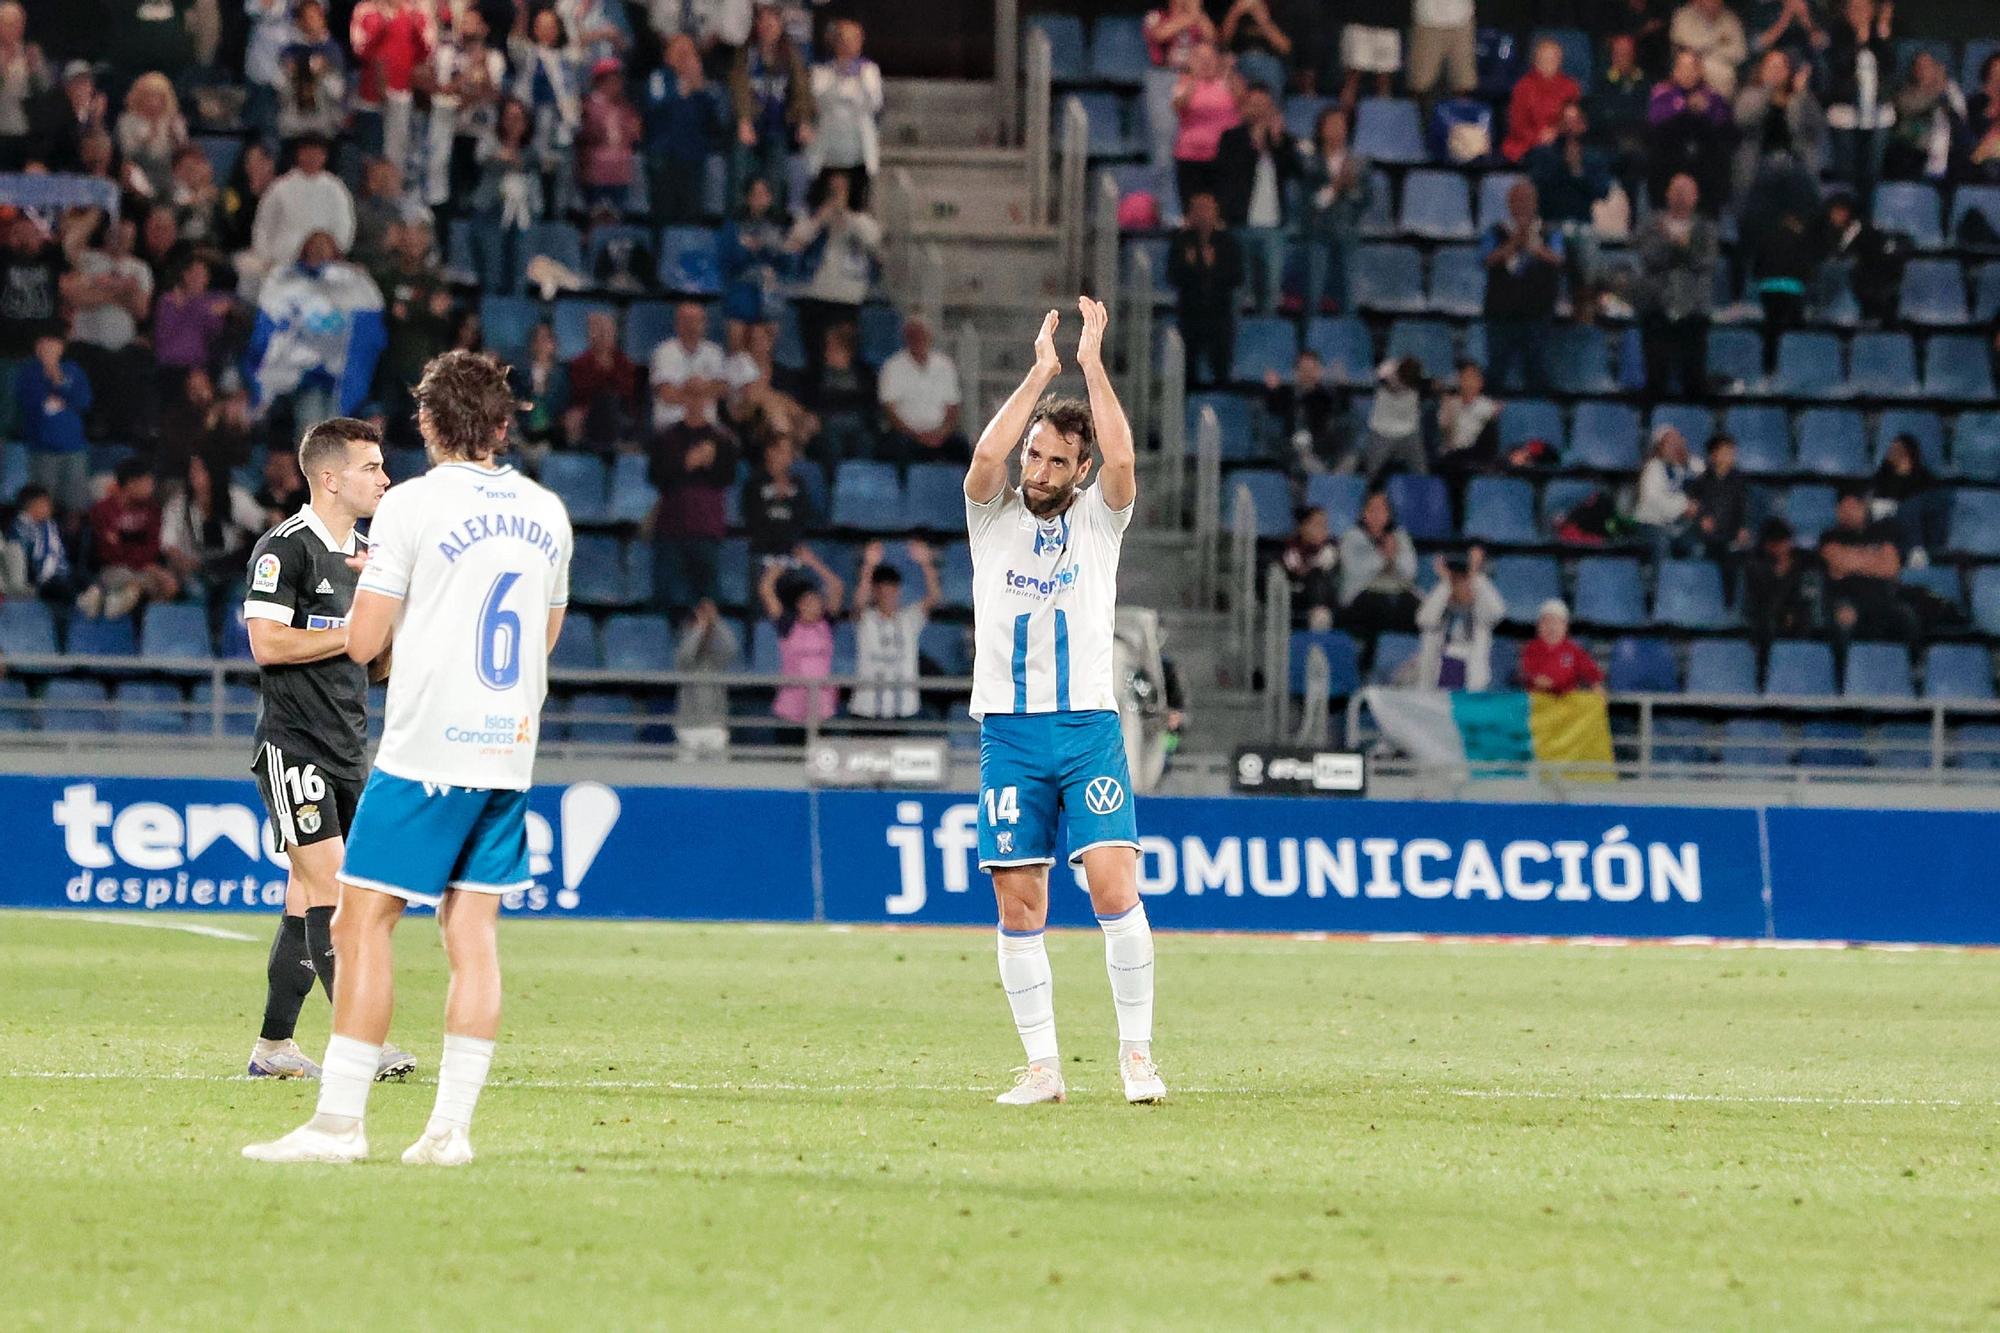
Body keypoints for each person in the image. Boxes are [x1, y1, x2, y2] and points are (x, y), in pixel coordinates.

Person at [243, 350, 575, 1167]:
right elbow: (546, 636)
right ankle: (448, 1132)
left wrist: (394, 605)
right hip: (507, 749)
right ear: (504, 424)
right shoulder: (548, 511)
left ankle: (339, 1124)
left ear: (428, 424)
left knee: (362, 921)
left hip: (427, 746)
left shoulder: (412, 508)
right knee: (472, 932)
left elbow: (361, 643)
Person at [964, 299, 1162, 1107]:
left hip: (1086, 727)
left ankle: (1137, 1057)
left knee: (1114, 885)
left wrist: (1090, 363)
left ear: (1077, 472)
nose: (1036, 472)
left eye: (1053, 462)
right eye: (1034, 457)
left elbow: (1121, 461)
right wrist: (1041, 373)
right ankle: (1044, 1068)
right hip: (1008, 734)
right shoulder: (990, 515)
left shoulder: (1099, 523)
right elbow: (984, 453)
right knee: (1021, 897)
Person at [234, 417, 413, 1083]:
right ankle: (361, 1046)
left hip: (347, 746)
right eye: (372, 467)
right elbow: (267, 645)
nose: (384, 478)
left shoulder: (367, 556)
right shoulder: (287, 548)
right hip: (293, 745)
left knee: (303, 899)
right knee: (340, 890)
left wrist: (391, 620)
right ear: (332, 478)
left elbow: (375, 666)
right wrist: (351, 631)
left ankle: (274, 1047)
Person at [247, 229, 388, 429]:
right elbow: (273, 321)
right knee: (313, 426)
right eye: (314, 246)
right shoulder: (287, 280)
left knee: (334, 429)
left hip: (338, 376)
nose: (319, 251)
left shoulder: (353, 282)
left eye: (325, 245)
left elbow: (368, 326)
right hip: (302, 376)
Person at [1214, 82, 1299, 317]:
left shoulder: (1282, 141)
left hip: (1273, 228)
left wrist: (1276, 142)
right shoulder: (1231, 139)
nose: (1260, 110)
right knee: (1238, 290)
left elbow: (1295, 170)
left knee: (1271, 290)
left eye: (1264, 105)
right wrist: (1254, 146)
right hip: (1241, 225)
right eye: (1254, 104)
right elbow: (1227, 173)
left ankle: (1266, 336)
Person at [786, 170, 880, 381]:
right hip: (816, 294)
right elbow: (795, 241)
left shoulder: (862, 218)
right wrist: (821, 218)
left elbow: (874, 241)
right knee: (815, 360)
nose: (837, 192)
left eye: (842, 188)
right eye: (833, 188)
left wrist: (848, 216)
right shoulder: (812, 214)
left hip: (849, 297)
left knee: (845, 358)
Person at [1632, 173, 1718, 401]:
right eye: (1676, 191)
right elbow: (1649, 258)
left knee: (1694, 378)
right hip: (1656, 308)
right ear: (1667, 194)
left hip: (1694, 310)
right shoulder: (1651, 226)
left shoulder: (1706, 229)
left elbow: (1704, 262)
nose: (1680, 197)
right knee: (1656, 375)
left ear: (1695, 197)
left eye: (1686, 192)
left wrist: (1681, 246)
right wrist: (1671, 243)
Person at [1523, 103, 1614, 317]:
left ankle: (1586, 308)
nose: (1571, 127)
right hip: (1551, 223)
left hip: (1582, 224)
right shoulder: (1544, 154)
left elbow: (1602, 191)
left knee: (1587, 253)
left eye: (1576, 121)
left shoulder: (1593, 157)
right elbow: (1537, 183)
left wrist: (1577, 172)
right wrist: (1562, 167)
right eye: (1566, 121)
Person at [1481, 179, 1562, 393]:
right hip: (1500, 314)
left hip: (1537, 314)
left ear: (1535, 203)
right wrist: (1514, 242)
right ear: (1509, 203)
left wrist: (1533, 246)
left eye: (1527, 200)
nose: (1522, 205)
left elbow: (1558, 259)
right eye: (1517, 200)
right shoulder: (1496, 231)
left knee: (1537, 372)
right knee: (1495, 372)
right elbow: (1487, 259)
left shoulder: (1549, 231)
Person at [729, 4, 813, 209]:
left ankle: (772, 223)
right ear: (756, 26)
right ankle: (739, 222)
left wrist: (803, 120)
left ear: (780, 26)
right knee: (740, 173)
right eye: (763, 22)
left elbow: (801, 89)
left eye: (772, 22)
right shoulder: (745, 54)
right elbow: (739, 87)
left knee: (775, 175)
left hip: (777, 126)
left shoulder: (791, 55)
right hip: (750, 124)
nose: (767, 27)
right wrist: (744, 120)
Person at [650, 415, 737, 615]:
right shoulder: (668, 438)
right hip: (670, 528)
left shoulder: (722, 440)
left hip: (706, 529)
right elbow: (656, 475)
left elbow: (727, 476)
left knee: (708, 598)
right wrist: (686, 463)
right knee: (665, 596)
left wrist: (710, 462)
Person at [248, 135, 356, 293]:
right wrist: (265, 258)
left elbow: (345, 227)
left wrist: (332, 255)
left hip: (323, 267)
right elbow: (263, 227)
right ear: (299, 154)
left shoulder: (336, 189)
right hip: (282, 264)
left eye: (317, 153)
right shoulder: (279, 188)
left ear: (324, 156)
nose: (312, 157)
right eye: (307, 152)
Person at [850, 539, 940, 722]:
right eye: (882, 591)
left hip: (904, 708)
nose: (887, 596)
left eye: (891, 591)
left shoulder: (909, 619)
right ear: (875, 592)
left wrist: (926, 564)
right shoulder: (866, 620)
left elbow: (934, 599)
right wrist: (868, 566)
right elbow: (858, 603)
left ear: (898, 590)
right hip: (867, 708)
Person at [78, 459, 178, 620]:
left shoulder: (152, 510)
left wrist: (127, 548)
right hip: (111, 569)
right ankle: (105, 603)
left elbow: (153, 547)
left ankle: (148, 631)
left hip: (144, 568)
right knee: (130, 585)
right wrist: (142, 559)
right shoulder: (102, 510)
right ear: (132, 484)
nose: (152, 487)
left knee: (169, 585)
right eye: (147, 482)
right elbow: (109, 553)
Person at [1819, 487, 1916, 648]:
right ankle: (1843, 671)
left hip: (1882, 598)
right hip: (1847, 599)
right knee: (1845, 622)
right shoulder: (1829, 536)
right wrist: (1873, 559)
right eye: (1843, 508)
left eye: (1852, 507)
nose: (1846, 513)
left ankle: (1913, 668)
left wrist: (1852, 559)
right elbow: (1838, 563)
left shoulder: (1881, 532)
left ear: (1863, 507)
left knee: (1908, 616)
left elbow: (1891, 569)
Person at [646, 33, 727, 225]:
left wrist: (703, 88)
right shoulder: (660, 77)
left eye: (688, 52)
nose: (684, 57)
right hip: (664, 156)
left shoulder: (703, 85)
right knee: (663, 215)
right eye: (679, 51)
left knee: (690, 214)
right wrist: (683, 90)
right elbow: (653, 108)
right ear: (668, 55)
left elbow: (718, 120)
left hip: (693, 157)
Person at [1299, 106, 1372, 317]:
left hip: (1347, 233)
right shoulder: (1310, 161)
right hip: (1316, 233)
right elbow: (1312, 202)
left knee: (1349, 295)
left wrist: (1352, 188)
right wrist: (1336, 186)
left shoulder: (1359, 163)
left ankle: (1348, 341)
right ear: (1321, 129)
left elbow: (1365, 199)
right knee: (1313, 294)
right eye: (1332, 124)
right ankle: (1309, 343)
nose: (1337, 130)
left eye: (1341, 125)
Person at [761, 547, 843, 729]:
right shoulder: (787, 625)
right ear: (799, 605)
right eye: (808, 601)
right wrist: (779, 566)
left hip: (822, 708)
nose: (814, 605)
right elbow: (766, 590)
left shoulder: (827, 624)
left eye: (817, 600)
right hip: (790, 709)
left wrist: (812, 562)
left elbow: (837, 586)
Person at [1167, 191, 1242, 389]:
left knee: (1221, 363)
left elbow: (1236, 276)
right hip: (1190, 313)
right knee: (1188, 366)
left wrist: (1211, 268)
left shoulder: (1227, 243)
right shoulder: (1181, 241)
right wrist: (1195, 268)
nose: (1203, 215)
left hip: (1219, 314)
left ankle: (1221, 397)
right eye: (1198, 209)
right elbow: (1173, 275)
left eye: (1207, 209)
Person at [807, 19, 881, 212]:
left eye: (853, 39)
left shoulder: (869, 71)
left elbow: (873, 103)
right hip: (828, 153)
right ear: (835, 42)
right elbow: (818, 103)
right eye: (843, 39)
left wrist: (859, 80)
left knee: (856, 209)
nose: (847, 44)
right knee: (823, 207)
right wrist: (838, 77)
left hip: (858, 153)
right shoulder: (821, 70)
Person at [13, 334, 91, 516]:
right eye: (44, 346)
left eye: (53, 345)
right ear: (37, 347)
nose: (49, 350)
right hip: (43, 450)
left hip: (74, 448)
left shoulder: (73, 370)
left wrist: (57, 376)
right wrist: (57, 393)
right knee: (43, 502)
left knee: (76, 506)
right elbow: (31, 403)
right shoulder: (28, 372)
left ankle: (72, 542)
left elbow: (83, 400)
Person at [1648, 49, 1732, 210]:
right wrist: (1684, 108)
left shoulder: (1712, 97)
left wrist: (1707, 112)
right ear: (1675, 71)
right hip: (1669, 162)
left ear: (1699, 71)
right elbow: (1655, 122)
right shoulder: (1663, 94)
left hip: (1704, 166)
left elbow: (1726, 128)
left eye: (1692, 68)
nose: (1687, 73)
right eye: (1682, 68)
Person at [877, 317, 965, 466]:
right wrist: (916, 435)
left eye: (922, 334)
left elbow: (953, 407)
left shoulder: (945, 365)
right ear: (906, 337)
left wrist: (943, 432)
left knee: (963, 447)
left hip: (940, 434)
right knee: (897, 448)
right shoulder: (892, 366)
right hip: (906, 434)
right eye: (913, 335)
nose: (918, 339)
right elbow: (889, 411)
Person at [1823, 0, 1894, 185]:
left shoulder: (1879, 38)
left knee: (1872, 173)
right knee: (1846, 174)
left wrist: (1883, 38)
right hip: (1846, 116)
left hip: (1878, 117)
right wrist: (1859, 42)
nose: (1861, 14)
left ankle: (1867, 211)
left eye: (1865, 8)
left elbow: (1891, 69)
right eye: (1855, 9)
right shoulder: (1836, 37)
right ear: (1846, 12)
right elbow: (1840, 68)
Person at [1415, 549, 1502, 690]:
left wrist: (1475, 575)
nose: (1464, 588)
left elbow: (1497, 612)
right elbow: (1423, 619)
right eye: (1457, 584)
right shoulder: (1438, 614)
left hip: (1471, 682)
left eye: (1468, 584)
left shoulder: (1482, 618)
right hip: (1436, 681)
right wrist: (1446, 581)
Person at [1338, 489, 1420, 631]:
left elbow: (1410, 572)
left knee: (1418, 609)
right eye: (1372, 510)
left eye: (1382, 510)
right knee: (1377, 604)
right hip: (1361, 597)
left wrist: (1394, 558)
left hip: (1397, 593)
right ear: (1364, 513)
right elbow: (1355, 572)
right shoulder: (1352, 538)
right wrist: (1384, 557)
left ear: (1389, 514)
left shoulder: (1400, 537)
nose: (1377, 515)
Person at [1169, 42, 1238, 210]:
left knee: (1222, 208)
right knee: (1192, 208)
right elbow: (1178, 104)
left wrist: (1229, 71)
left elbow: (1243, 102)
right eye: (1200, 58)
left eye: (1210, 58)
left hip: (1223, 158)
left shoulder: (1229, 82)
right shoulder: (1183, 83)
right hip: (1190, 157)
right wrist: (1194, 77)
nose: (1206, 62)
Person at [1882, 50, 1967, 183]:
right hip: (1912, 155)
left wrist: (1945, 92)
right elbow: (1908, 108)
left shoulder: (1950, 91)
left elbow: (1961, 118)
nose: (1922, 70)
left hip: (1947, 157)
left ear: (1936, 68)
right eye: (1919, 66)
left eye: (1928, 66)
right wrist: (1937, 91)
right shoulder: (1905, 93)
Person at [673, 597, 740, 757]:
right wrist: (701, 627)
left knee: (719, 777)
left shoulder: (718, 660)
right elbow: (686, 654)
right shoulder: (683, 656)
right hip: (688, 725)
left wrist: (716, 621)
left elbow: (732, 649)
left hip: (716, 725)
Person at [650, 300, 728, 433]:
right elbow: (667, 395)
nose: (691, 325)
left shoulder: (714, 351)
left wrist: (686, 389)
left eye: (696, 320)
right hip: (670, 426)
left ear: (705, 324)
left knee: (731, 445)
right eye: (686, 320)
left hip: (707, 426)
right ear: (677, 324)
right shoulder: (664, 351)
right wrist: (699, 390)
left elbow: (721, 390)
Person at [1686, 433, 1751, 592]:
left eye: (1732, 452)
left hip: (1731, 533)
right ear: (1713, 455)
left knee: (1734, 557)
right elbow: (1693, 506)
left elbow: (1744, 508)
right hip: (1707, 535)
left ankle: (1729, 603)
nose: (1730, 456)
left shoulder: (1739, 480)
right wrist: (1701, 519)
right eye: (1725, 452)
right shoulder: (1701, 481)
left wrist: (1743, 528)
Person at [567, 307, 641, 446]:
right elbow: (580, 393)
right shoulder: (579, 363)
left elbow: (627, 393)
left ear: (614, 333)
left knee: (609, 402)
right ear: (589, 334)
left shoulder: (624, 363)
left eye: (606, 330)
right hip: (587, 414)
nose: (602, 335)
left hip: (618, 414)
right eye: (597, 330)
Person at [1502, 37, 1581, 163]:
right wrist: (1539, 137)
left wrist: (1558, 131)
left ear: (1559, 61)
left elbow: (1578, 122)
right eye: (1544, 59)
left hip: (1562, 142)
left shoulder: (1570, 86)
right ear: (1535, 61)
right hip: (1529, 145)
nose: (1548, 64)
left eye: (1552, 59)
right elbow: (1517, 126)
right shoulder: (1523, 87)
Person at [1743, 515, 1814, 655]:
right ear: (1768, 545)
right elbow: (1756, 605)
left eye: (1785, 542)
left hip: (1797, 622)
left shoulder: (1803, 561)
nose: (1782, 548)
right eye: (1777, 544)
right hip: (1766, 624)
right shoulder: (1755, 567)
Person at [1261, 349, 1342, 472]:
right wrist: (1272, 391)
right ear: (1295, 372)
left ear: (1319, 372)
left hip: (1319, 452)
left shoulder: (1326, 398)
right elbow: (1272, 410)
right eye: (1303, 370)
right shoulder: (1284, 394)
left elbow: (1335, 423)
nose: (1307, 374)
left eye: (1312, 370)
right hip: (1289, 453)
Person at [578, 56, 641, 213]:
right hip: (596, 175)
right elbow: (587, 135)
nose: (616, 84)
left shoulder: (626, 108)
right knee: (596, 217)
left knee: (617, 220)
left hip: (620, 173)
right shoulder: (588, 106)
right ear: (600, 81)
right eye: (611, 79)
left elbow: (635, 134)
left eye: (618, 79)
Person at [1632, 424, 1702, 561]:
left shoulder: (1696, 466)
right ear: (1660, 447)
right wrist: (1684, 507)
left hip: (1685, 526)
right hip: (1653, 524)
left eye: (1678, 441)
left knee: (1698, 546)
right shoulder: (1653, 468)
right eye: (1669, 443)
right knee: (1662, 544)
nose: (1675, 446)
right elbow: (1654, 501)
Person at [115, 72, 186, 201]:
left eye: (158, 96)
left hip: (169, 172)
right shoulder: (127, 121)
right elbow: (127, 153)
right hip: (140, 170)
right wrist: (148, 138)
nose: (153, 101)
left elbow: (183, 154)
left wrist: (175, 138)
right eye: (149, 96)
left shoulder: (174, 120)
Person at [1874, 433, 1947, 559]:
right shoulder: (1881, 478)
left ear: (1908, 451)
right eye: (1892, 449)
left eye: (1898, 449)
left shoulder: (1927, 481)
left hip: (1918, 535)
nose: (1892, 452)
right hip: (1887, 530)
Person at [0, 1, 53, 172]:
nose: (14, 28)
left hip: (26, 133)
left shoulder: (30, 52)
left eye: (18, 23)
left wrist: (35, 70)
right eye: (8, 23)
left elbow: (45, 89)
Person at [1, 483, 75, 604]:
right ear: (33, 506)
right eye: (46, 504)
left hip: (61, 573)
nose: (51, 508)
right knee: (60, 588)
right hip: (38, 578)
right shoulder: (20, 530)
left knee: (81, 579)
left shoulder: (48, 526)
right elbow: (21, 561)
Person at [1360, 355, 1427, 479]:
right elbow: (1377, 382)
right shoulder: (1387, 368)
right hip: (1382, 429)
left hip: (1409, 430)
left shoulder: (1417, 378)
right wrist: (1389, 381)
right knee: (1371, 473)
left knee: (1421, 472)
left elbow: (1426, 389)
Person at [1519, 599, 1604, 694]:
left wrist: (1595, 684)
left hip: (1566, 699)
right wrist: (1535, 679)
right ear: (1538, 626)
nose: (1551, 628)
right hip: (1539, 698)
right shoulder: (1531, 648)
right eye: (1546, 622)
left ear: (1565, 627)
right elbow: (1526, 671)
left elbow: (1589, 669)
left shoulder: (1573, 650)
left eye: (1556, 623)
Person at [1435, 358, 1500, 476]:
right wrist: (1449, 410)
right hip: (1451, 457)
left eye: (1473, 377)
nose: (1469, 382)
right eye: (1465, 378)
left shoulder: (1488, 406)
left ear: (1480, 382)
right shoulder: (1450, 404)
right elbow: (1446, 436)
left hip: (1476, 457)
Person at [1670, 0, 1748, 97]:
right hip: (1689, 65)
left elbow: (1740, 53)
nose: (1713, 4)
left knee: (1725, 74)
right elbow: (1685, 45)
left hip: (1722, 70)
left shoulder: (1731, 20)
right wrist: (1718, 44)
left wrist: (1711, 50)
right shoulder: (1684, 15)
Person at [1278, 505, 1340, 628]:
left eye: (1325, 525)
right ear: (1303, 527)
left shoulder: (1331, 546)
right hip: (1297, 595)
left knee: (1318, 575)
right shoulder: (1291, 546)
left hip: (1325, 598)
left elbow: (1325, 562)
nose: (1323, 529)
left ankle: (1320, 617)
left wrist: (1308, 567)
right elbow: (1295, 570)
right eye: (1317, 524)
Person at [1407, 0, 1478, 105]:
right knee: (1420, 83)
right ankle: (1415, 119)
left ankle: (1460, 118)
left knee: (1463, 82)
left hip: (1461, 19)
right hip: (1428, 20)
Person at [1219, 0, 1293, 95]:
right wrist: (1235, 12)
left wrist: (1262, 19)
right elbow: (1222, 41)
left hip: (1270, 61)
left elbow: (1285, 47)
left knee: (1267, 69)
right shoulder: (1231, 7)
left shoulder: (1280, 8)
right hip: (1237, 60)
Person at [1143, 0, 1216, 70]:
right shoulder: (1155, 15)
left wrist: (1198, 13)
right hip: (1165, 71)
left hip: (1196, 71)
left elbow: (1212, 39)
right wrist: (1191, 16)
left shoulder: (1199, 17)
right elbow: (1158, 36)